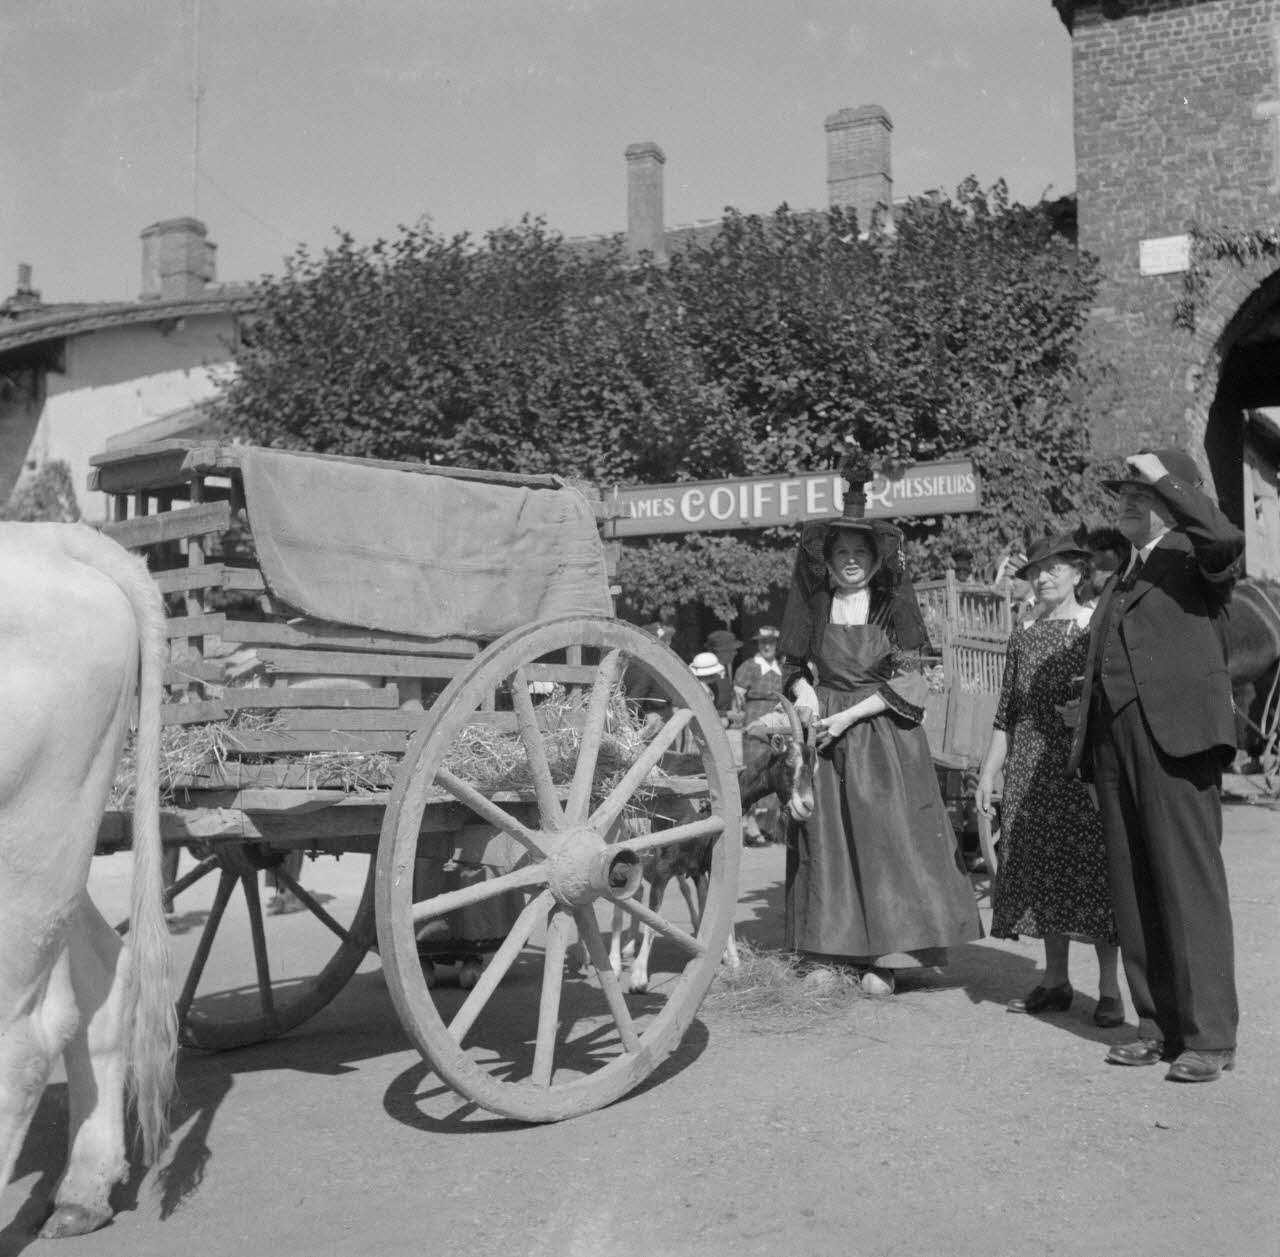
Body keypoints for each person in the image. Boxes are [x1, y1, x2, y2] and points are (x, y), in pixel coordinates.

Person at [1066, 448, 1243, 1083]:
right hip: (1116, 745)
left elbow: (1224, 532)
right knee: (1135, 888)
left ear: (1175, 503)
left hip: (1177, 740)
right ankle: (1157, 1027)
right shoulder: (1121, 576)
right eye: (1124, 494)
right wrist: (1089, 751)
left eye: (1142, 495)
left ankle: (1210, 1036)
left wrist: (1165, 474)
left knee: (1186, 885)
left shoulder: (1199, 560)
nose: (1127, 501)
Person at [779, 453, 983, 995]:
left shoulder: (891, 608)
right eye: (841, 551)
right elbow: (794, 669)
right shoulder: (816, 608)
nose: (849, 560)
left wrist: (845, 714)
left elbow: (912, 681)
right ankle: (829, 950)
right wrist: (804, 697)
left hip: (883, 736)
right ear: (828, 559)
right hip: (824, 737)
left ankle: (887, 957)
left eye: (858, 552)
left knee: (883, 838)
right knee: (826, 841)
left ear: (875, 558)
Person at [974, 534, 1123, 1028]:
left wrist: (1085, 711)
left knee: (1094, 875)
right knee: (1043, 875)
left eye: (1056, 568)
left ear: (1079, 574)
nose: (1043, 577)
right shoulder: (1024, 634)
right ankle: (1056, 981)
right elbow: (1007, 715)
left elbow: (1114, 696)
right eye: (1037, 569)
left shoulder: (1092, 628)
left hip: (1081, 768)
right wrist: (990, 771)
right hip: (1030, 771)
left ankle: (1108, 991)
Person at [733, 626, 786, 845]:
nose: (767, 646)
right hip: (755, 722)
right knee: (755, 772)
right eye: (763, 642)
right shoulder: (749, 667)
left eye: (771, 642)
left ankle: (769, 826)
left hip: (778, 724)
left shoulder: (781, 668)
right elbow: (739, 699)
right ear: (757, 644)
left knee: (776, 769)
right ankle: (751, 828)